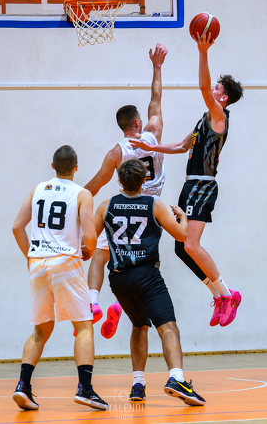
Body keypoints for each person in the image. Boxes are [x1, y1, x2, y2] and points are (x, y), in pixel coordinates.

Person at [130, 33, 244, 327]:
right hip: (191, 185)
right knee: (181, 248)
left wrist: (202, 51)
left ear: (223, 98)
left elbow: (203, 86)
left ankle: (228, 294)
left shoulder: (219, 116)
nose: (212, 89)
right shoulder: (204, 119)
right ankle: (218, 295)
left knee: (191, 244)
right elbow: (182, 146)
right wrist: (152, 147)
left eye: (217, 88)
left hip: (203, 184)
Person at [94, 159, 205, 405]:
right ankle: (177, 379)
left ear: (119, 180)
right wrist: (183, 217)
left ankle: (138, 383)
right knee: (168, 327)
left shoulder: (105, 205)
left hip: (118, 278)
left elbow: (90, 241)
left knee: (139, 325)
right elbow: (182, 235)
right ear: (144, 180)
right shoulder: (153, 204)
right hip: (146, 275)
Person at [11, 145, 108, 411]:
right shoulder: (82, 193)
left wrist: (30, 256)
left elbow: (17, 227)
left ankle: (23, 386)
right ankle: (85, 389)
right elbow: (90, 234)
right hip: (65, 262)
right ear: (76, 167)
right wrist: (89, 248)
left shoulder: (38, 189)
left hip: (38, 264)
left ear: (53, 166)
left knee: (40, 331)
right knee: (84, 326)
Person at [83, 43, 168, 339]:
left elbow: (95, 185)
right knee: (147, 265)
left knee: (100, 254)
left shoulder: (116, 153)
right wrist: (157, 66)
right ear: (138, 122)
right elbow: (156, 99)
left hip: (121, 209)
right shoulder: (152, 135)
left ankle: (93, 302)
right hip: (150, 210)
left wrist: (71, 198)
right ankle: (127, 308)